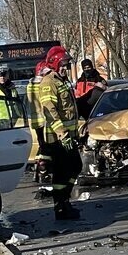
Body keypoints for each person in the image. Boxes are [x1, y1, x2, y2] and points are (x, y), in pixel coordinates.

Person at [39, 46, 82, 220]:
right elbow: (49, 109)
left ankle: (64, 201)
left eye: (67, 65)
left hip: (68, 136)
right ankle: (60, 206)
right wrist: (62, 133)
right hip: (58, 138)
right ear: (55, 64)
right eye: (63, 65)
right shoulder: (49, 82)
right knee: (62, 171)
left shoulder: (62, 81)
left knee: (74, 167)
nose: (66, 68)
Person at [25, 61, 51, 180]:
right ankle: (43, 170)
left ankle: (38, 168)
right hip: (45, 120)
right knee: (46, 147)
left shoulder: (30, 84)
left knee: (42, 146)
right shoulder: (42, 84)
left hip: (36, 121)